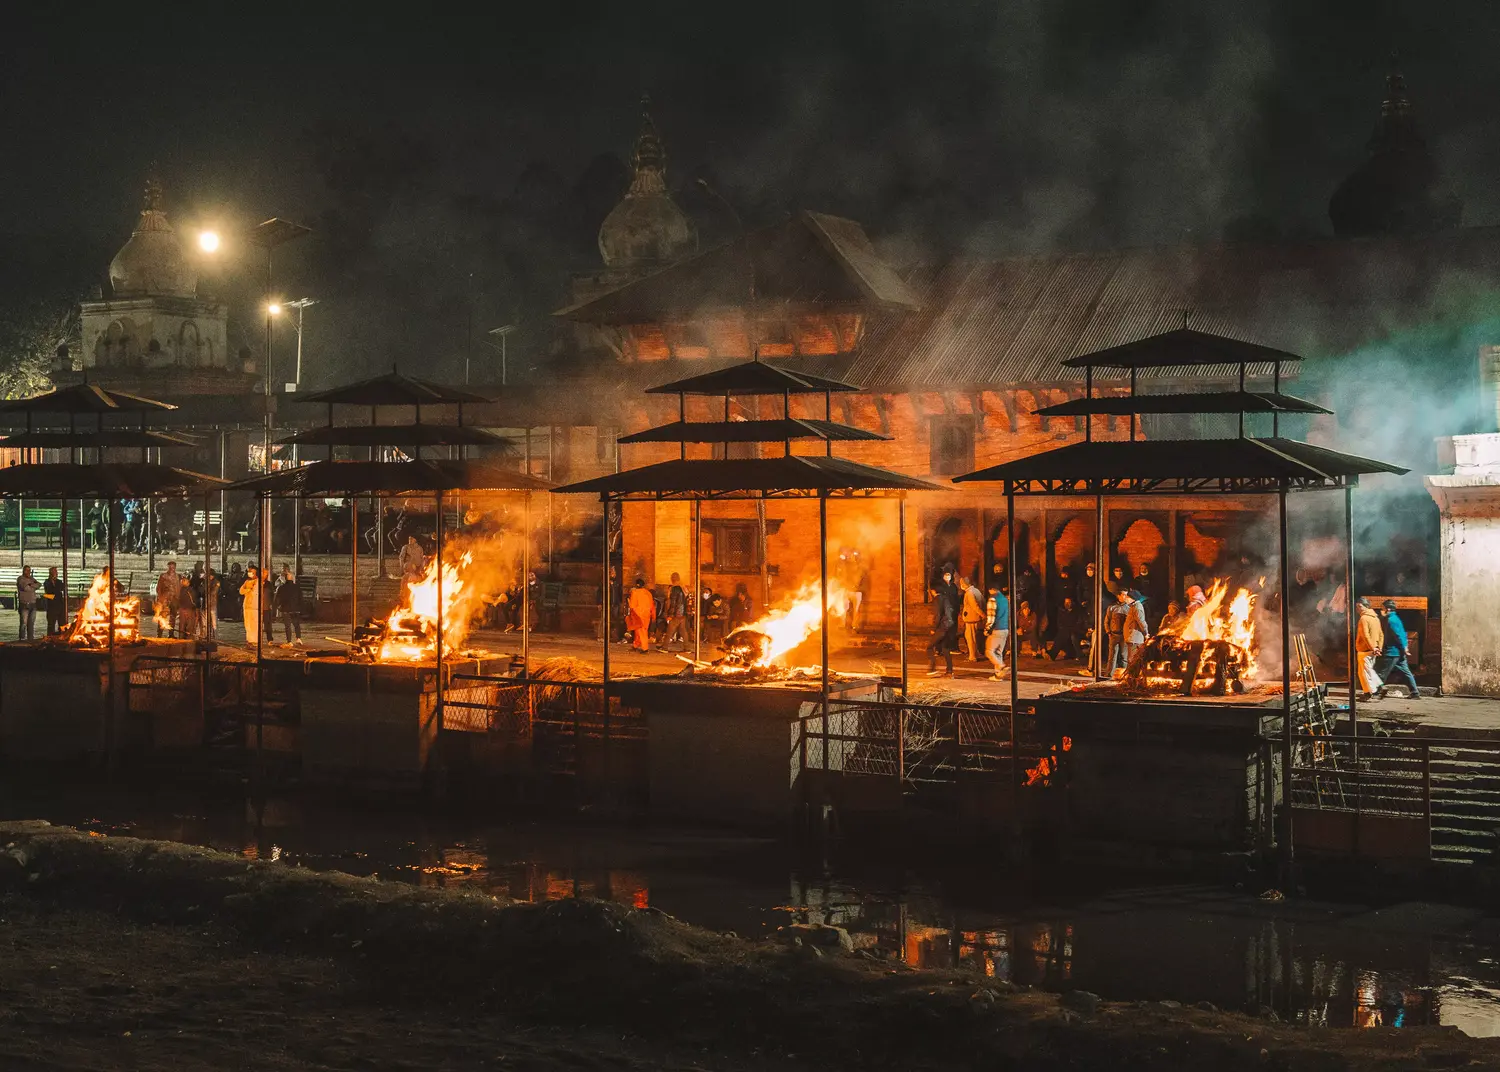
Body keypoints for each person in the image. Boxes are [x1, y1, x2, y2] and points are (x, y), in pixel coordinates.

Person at [1376, 600, 1422, 700]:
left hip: (1392, 652)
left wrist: (1404, 648)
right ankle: (1415, 693)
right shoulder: (1395, 618)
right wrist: (1404, 648)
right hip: (1398, 652)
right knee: (1406, 673)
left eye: (1382, 608)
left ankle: (1375, 692)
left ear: (1387, 609)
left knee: (1381, 673)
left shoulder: (1391, 620)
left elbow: (1399, 635)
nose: (1381, 610)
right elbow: (1402, 634)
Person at [926, 567, 960, 676]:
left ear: (933, 591)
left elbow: (938, 615)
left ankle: (932, 669)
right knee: (945, 648)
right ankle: (950, 670)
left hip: (941, 627)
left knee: (929, 647)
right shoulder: (946, 599)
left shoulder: (937, 600)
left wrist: (933, 628)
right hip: (949, 626)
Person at [1354, 596, 1384, 699]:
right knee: (1369, 670)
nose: (1358, 609)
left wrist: (1373, 648)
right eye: (1357, 606)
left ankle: (1368, 692)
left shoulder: (1364, 618)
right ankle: (1379, 686)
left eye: (1359, 606)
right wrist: (1378, 648)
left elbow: (1365, 635)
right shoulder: (1375, 618)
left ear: (1366, 606)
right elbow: (1381, 634)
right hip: (1373, 649)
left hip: (1365, 649)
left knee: (1364, 672)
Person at [983, 582, 1009, 680]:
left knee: (989, 651)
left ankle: (1001, 665)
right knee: (998, 652)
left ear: (991, 589)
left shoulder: (992, 599)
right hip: (1005, 628)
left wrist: (987, 628)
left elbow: (991, 616)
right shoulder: (1005, 599)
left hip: (996, 629)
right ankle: (998, 675)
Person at [1046, 596, 1081, 661]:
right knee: (1062, 635)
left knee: (1062, 636)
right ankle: (1067, 653)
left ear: (1072, 603)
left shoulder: (1076, 612)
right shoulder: (1062, 611)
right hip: (1065, 630)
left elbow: (1078, 623)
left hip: (1074, 630)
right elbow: (1059, 622)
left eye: (1069, 602)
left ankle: (1053, 653)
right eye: (1066, 602)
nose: (1067, 604)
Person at [1104, 588, 1130, 674]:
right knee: (1112, 656)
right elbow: (1106, 621)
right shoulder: (1112, 607)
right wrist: (1108, 632)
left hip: (1124, 636)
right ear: (1118, 596)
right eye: (1123, 595)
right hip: (1114, 635)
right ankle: (1109, 674)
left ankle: (1122, 675)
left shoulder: (1129, 608)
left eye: (1126, 595)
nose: (1125, 597)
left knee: (1124, 657)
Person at [275, 567, 304, 644]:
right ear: (292, 578)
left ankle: (289, 641)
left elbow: (277, 599)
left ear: (285, 579)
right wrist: (300, 607)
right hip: (295, 609)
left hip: (285, 609)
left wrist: (278, 607)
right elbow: (301, 598)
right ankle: (298, 638)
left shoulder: (281, 588)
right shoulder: (297, 587)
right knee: (296, 624)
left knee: (288, 626)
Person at [960, 576, 986, 662]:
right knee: (974, 637)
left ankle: (972, 656)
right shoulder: (976, 591)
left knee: (970, 638)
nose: (961, 585)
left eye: (962, 583)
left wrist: (982, 615)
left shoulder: (969, 593)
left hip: (971, 618)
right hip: (975, 618)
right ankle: (976, 653)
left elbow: (975, 606)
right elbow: (983, 602)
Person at [626, 577, 655, 652]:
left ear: (637, 585)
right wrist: (653, 615)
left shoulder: (635, 592)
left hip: (638, 614)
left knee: (641, 632)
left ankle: (645, 648)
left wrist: (628, 601)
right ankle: (636, 645)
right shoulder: (648, 593)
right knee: (640, 631)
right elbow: (652, 605)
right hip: (647, 615)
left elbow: (632, 605)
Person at [1122, 589, 1150, 668]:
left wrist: (1146, 633)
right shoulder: (1133, 606)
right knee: (1130, 659)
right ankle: (1131, 677)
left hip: (1135, 638)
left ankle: (1132, 677)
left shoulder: (1137, 607)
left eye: (1127, 597)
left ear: (1133, 598)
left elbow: (1141, 622)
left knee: (1132, 659)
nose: (1125, 598)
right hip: (1131, 637)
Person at [662, 572, 688, 651]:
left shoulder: (674, 589)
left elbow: (673, 602)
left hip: (676, 614)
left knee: (669, 631)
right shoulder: (683, 588)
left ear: (672, 578)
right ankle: (686, 648)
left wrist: (670, 614)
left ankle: (664, 648)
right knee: (683, 631)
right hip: (682, 613)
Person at [156, 561, 180, 637]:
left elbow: (179, 587)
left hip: (174, 599)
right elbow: (159, 588)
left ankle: (171, 633)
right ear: (168, 567)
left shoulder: (178, 576)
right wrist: (160, 598)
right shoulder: (163, 576)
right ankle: (159, 634)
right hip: (165, 599)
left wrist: (178, 598)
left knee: (173, 617)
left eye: (173, 567)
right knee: (163, 616)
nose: (172, 569)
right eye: (170, 567)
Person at [15, 565, 40, 640]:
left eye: (29, 570)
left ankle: (30, 639)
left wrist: (31, 585)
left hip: (33, 604)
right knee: (23, 623)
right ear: (23, 571)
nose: (28, 572)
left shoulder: (32, 579)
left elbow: (39, 584)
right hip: (24, 605)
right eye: (27, 570)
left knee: (31, 623)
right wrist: (33, 587)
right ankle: (22, 639)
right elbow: (25, 588)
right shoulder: (20, 579)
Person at [240, 567, 262, 645]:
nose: (249, 573)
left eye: (251, 572)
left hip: (254, 606)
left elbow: (254, 592)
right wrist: (248, 589)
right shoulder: (247, 581)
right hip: (246, 606)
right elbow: (241, 591)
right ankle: (249, 640)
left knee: (254, 624)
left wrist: (248, 590)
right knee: (247, 625)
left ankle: (255, 641)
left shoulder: (258, 581)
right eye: (249, 571)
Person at [42, 566, 66, 635]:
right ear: (51, 573)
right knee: (51, 625)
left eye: (56, 572)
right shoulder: (47, 582)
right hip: (52, 606)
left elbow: (62, 588)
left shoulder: (59, 581)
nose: (56, 573)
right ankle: (50, 638)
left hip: (60, 605)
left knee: (62, 624)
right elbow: (49, 592)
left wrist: (54, 592)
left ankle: (61, 636)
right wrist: (54, 592)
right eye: (55, 572)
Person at [177, 576, 199, 640]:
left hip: (189, 609)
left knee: (189, 627)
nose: (183, 581)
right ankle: (182, 640)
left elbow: (194, 601)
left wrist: (195, 608)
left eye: (185, 580)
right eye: (182, 580)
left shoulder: (190, 590)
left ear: (188, 582)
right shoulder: (181, 589)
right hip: (183, 610)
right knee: (182, 626)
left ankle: (188, 640)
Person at [200, 566, 220, 639]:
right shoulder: (204, 582)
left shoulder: (216, 582)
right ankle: (205, 635)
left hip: (212, 604)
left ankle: (215, 637)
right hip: (204, 604)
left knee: (214, 623)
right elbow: (201, 591)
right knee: (205, 622)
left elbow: (213, 592)